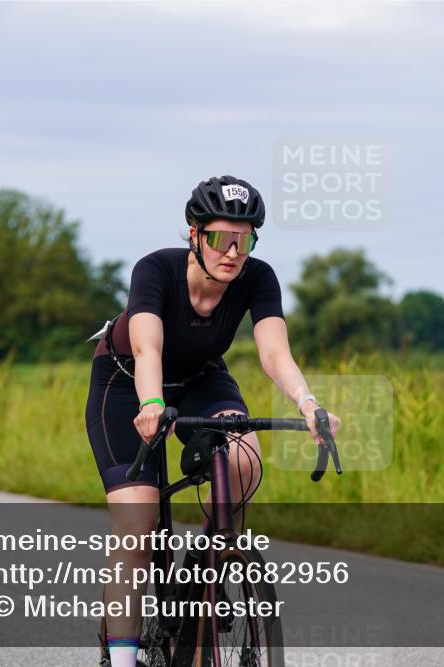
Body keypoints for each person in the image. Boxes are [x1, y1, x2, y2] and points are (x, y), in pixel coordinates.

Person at [84, 175, 340, 666]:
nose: (234, 252)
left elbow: (273, 351)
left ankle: (211, 563)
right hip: (127, 384)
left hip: (203, 378)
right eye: (223, 238)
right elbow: (146, 346)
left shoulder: (258, 277)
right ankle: (121, 659)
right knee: (137, 528)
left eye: (246, 240)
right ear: (194, 234)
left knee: (243, 458)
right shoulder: (155, 270)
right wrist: (152, 405)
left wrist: (308, 404)